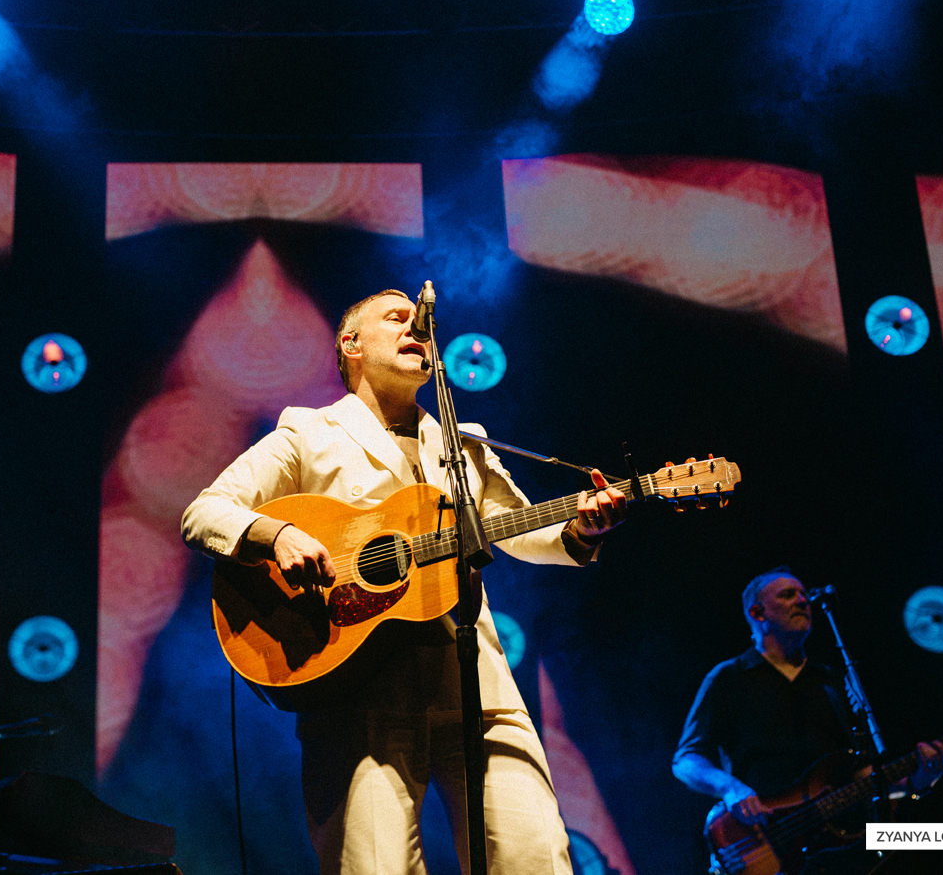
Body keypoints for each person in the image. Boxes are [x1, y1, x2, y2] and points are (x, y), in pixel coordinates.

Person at [182, 289, 628, 875]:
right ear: (352, 345)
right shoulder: (308, 432)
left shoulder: (463, 438)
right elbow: (206, 511)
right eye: (396, 318)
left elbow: (512, 528)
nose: (416, 327)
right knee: (375, 866)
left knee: (534, 854)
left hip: (473, 681)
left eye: (420, 322)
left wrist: (582, 530)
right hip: (357, 688)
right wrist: (276, 535)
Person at [671, 569, 943, 874]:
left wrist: (915, 782)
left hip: (840, 852)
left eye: (804, 594)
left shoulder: (831, 680)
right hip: (763, 846)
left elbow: (859, 776)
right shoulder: (729, 678)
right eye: (788, 594)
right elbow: (686, 760)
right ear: (757, 612)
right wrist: (731, 789)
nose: (803, 601)